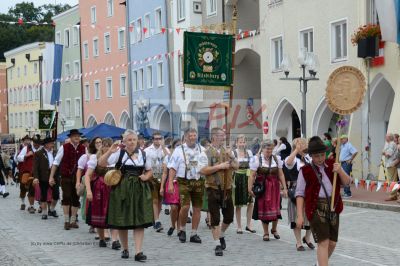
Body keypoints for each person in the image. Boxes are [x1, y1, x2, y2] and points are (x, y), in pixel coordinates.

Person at [98, 130, 153, 261]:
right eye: (129, 140)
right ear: (124, 141)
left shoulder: (144, 154)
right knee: (122, 219)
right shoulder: (119, 153)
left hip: (139, 189)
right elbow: (101, 163)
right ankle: (125, 249)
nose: (132, 142)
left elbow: (149, 170)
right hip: (121, 189)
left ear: (138, 140)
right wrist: (110, 151)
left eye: (134, 139)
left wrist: (146, 176)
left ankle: (138, 252)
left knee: (139, 221)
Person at [296, 136, 351, 266]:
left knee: (332, 243)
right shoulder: (305, 170)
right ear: (311, 156)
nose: (320, 158)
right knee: (323, 242)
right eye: (316, 156)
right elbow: (299, 194)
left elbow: (347, 182)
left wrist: (340, 171)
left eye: (322, 155)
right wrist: (299, 215)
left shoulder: (333, 164)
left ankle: (319, 263)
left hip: (333, 207)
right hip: (316, 207)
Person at [200, 128, 239, 256]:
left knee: (229, 217)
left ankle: (221, 234)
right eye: (221, 136)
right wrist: (219, 166)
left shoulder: (227, 151)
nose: (224, 138)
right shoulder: (205, 153)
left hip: (227, 189)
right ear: (214, 137)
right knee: (215, 218)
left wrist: (232, 156)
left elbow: (237, 166)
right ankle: (216, 244)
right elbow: (202, 170)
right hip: (213, 188)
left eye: (224, 135)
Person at [167, 128, 208, 245]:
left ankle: (194, 233)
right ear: (185, 137)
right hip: (184, 181)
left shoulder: (202, 149)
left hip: (198, 181)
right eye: (190, 135)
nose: (193, 137)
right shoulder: (178, 150)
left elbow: (208, 166)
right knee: (184, 207)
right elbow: (172, 167)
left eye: (195, 135)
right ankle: (182, 229)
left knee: (197, 208)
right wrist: (170, 183)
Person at [248, 140, 288, 242]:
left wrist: (284, 187)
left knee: (276, 207)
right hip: (262, 188)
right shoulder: (256, 159)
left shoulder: (276, 159)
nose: (269, 151)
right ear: (263, 148)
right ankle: (266, 232)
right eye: (267, 149)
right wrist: (249, 188)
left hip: (275, 187)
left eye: (271, 149)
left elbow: (281, 174)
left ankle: (274, 229)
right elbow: (252, 175)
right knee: (264, 209)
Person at [86, 138, 120, 249]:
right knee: (100, 214)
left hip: (114, 188)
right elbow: (87, 175)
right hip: (99, 189)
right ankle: (101, 238)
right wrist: (89, 191)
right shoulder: (94, 158)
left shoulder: (116, 157)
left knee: (114, 213)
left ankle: (115, 240)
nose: (108, 147)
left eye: (110, 145)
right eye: (106, 145)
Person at [50, 129, 86, 230]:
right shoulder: (64, 147)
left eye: (78, 136)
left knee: (76, 198)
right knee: (66, 197)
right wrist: (51, 176)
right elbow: (56, 162)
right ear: (70, 138)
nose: (77, 138)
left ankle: (73, 220)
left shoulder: (83, 148)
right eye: (74, 136)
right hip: (66, 177)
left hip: (78, 177)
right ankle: (66, 220)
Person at [284, 138, 314, 251]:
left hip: (310, 189)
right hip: (296, 189)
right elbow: (288, 163)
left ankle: (307, 237)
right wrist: (296, 150)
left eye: (303, 144)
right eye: (300, 145)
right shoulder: (292, 159)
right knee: (296, 215)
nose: (302, 146)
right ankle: (298, 242)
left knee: (311, 215)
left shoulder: (308, 158)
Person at [145, 131, 170, 232]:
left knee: (160, 200)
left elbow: (170, 158)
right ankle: (157, 221)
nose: (158, 140)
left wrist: (163, 147)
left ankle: (156, 219)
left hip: (163, 175)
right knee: (154, 199)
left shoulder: (165, 149)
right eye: (156, 138)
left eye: (160, 138)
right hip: (152, 175)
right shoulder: (147, 150)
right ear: (152, 140)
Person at [231, 134, 255, 234]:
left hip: (247, 177)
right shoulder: (234, 153)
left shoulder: (249, 152)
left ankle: (249, 224)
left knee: (250, 202)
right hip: (237, 178)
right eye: (240, 142)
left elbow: (252, 166)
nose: (242, 144)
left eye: (243, 142)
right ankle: (239, 226)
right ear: (236, 143)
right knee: (238, 204)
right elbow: (231, 167)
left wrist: (252, 180)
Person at [160, 139, 181, 236]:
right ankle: (173, 225)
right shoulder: (168, 158)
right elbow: (164, 173)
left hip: (183, 183)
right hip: (172, 183)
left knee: (181, 207)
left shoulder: (186, 157)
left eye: (181, 145)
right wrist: (162, 187)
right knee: (173, 207)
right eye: (177, 145)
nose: (179, 147)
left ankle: (179, 228)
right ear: (173, 147)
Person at [32, 137, 56, 220]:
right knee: (44, 195)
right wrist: (36, 177)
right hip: (43, 177)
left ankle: (52, 209)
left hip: (54, 177)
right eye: (51, 143)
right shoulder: (39, 153)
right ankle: (45, 212)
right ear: (46, 144)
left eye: (53, 143)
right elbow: (35, 167)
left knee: (56, 195)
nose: (53, 144)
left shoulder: (55, 152)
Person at [17, 135, 42, 213]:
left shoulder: (42, 149)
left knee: (35, 189)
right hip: (27, 172)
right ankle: (23, 202)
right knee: (23, 188)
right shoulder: (26, 148)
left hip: (38, 172)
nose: (36, 145)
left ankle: (32, 206)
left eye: (38, 143)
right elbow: (18, 158)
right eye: (35, 143)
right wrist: (26, 155)